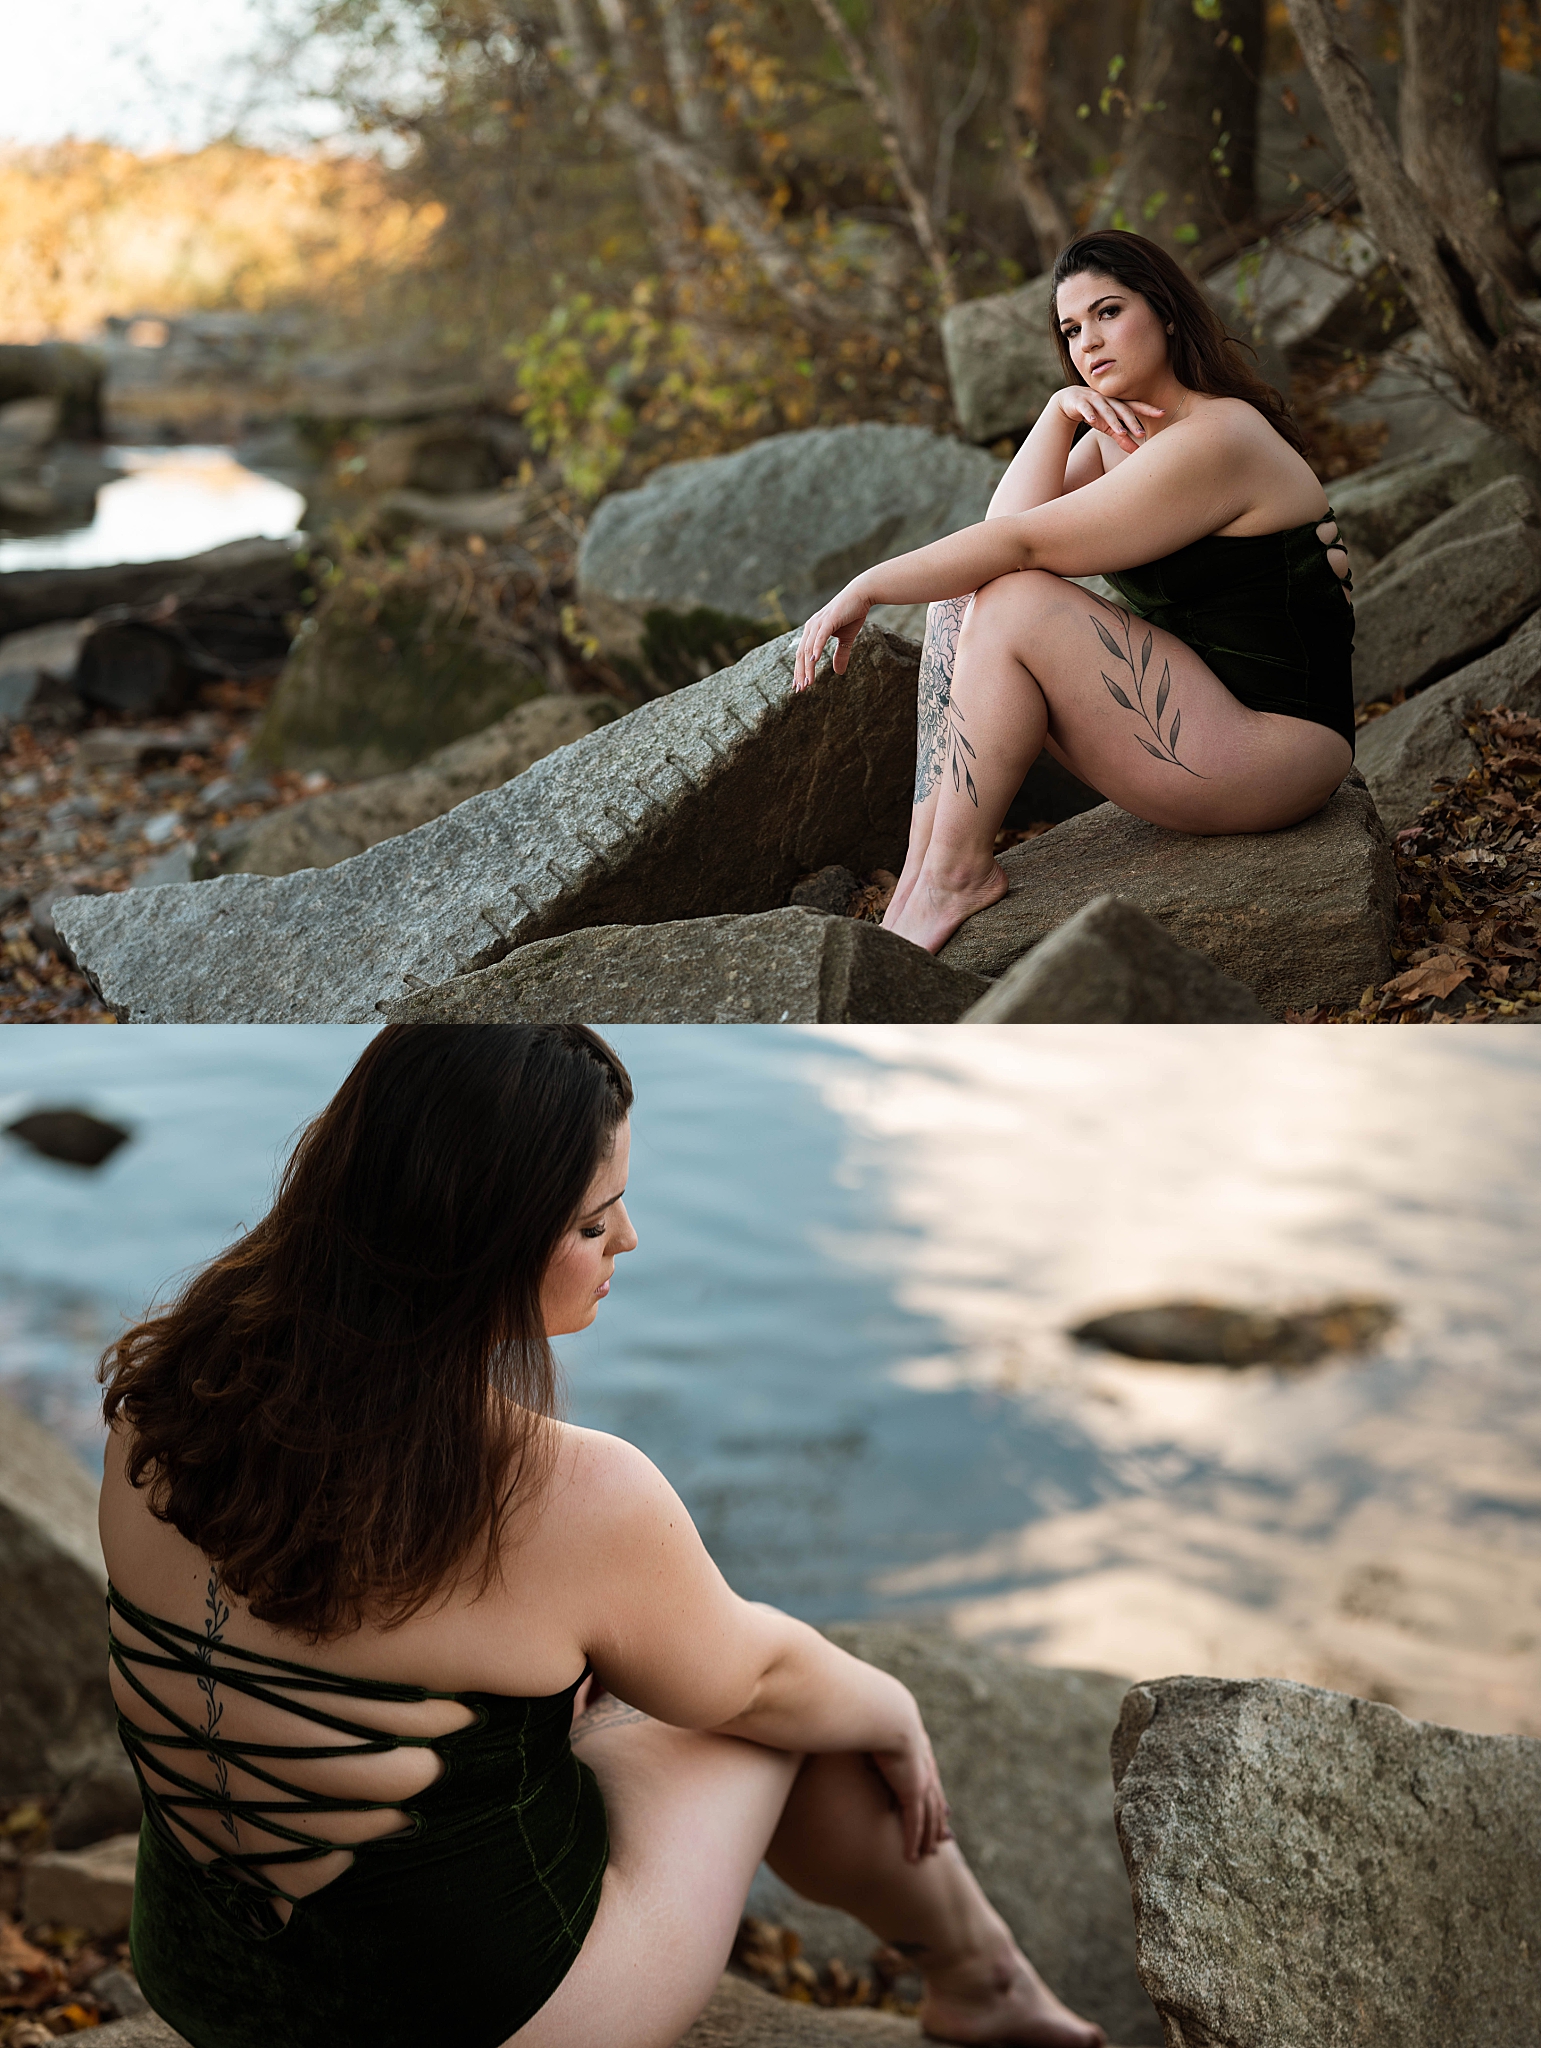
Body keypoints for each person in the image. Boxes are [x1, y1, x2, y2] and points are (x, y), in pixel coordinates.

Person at [97, 1024, 1107, 2048]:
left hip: (202, 1984)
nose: (628, 1237)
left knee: (589, 1688)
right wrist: (891, 1707)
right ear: (475, 1239)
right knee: (788, 1713)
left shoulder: (164, 1395)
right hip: (489, 2024)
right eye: (590, 1220)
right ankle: (983, 1977)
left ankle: (985, 1978)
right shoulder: (567, 1491)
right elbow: (752, 1683)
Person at [793, 228, 1356, 953]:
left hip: (1276, 749)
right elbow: (1004, 536)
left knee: (1014, 603)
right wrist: (1058, 414)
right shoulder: (1121, 437)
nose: (1087, 341)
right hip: (1200, 718)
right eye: (1070, 328)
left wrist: (866, 587)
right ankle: (924, 874)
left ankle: (953, 873)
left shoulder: (1217, 438)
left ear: (1167, 313)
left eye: (1108, 312)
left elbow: (1018, 547)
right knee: (961, 599)